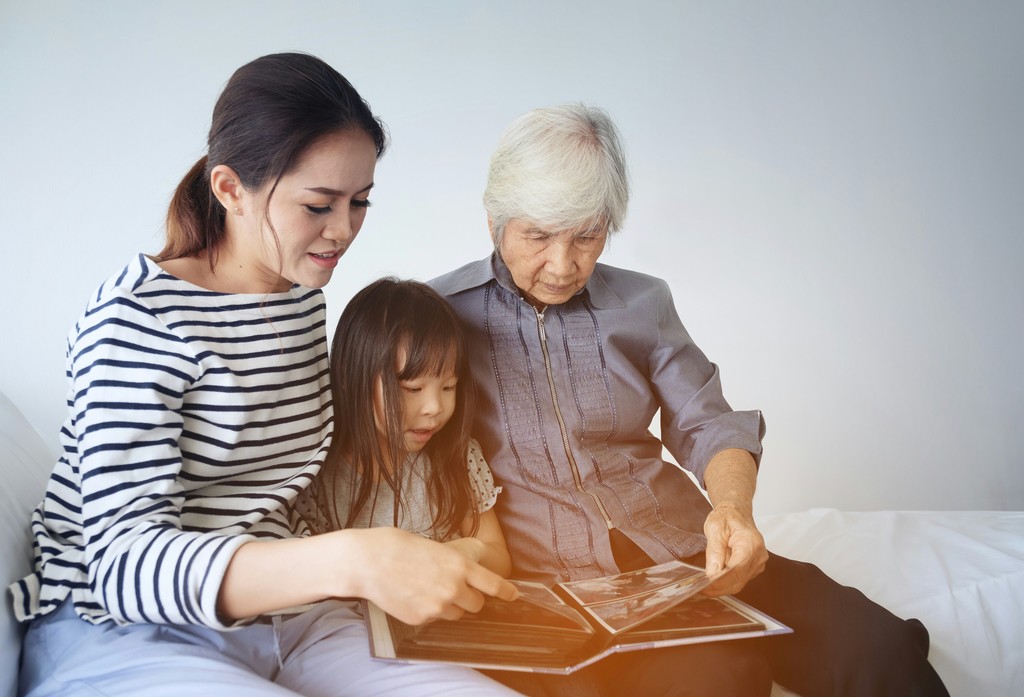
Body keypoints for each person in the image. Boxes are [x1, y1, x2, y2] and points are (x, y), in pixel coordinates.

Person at [9, 53, 518, 697]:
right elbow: (122, 566)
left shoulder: (299, 295)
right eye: (318, 204)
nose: (344, 231)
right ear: (229, 190)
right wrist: (355, 558)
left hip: (288, 621)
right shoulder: (135, 318)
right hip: (125, 626)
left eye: (359, 202)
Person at [430, 104, 950, 697]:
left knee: (879, 650)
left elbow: (708, 421)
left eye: (587, 235)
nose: (563, 264)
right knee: (718, 677)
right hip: (558, 591)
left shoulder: (643, 302)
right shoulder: (437, 316)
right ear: (493, 220)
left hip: (687, 558)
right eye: (539, 236)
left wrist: (732, 510)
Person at [297, 277, 512, 579]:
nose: (435, 407)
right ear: (350, 378)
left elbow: (499, 560)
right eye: (413, 389)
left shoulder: (457, 456)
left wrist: (472, 551)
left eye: (449, 386)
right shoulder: (318, 474)